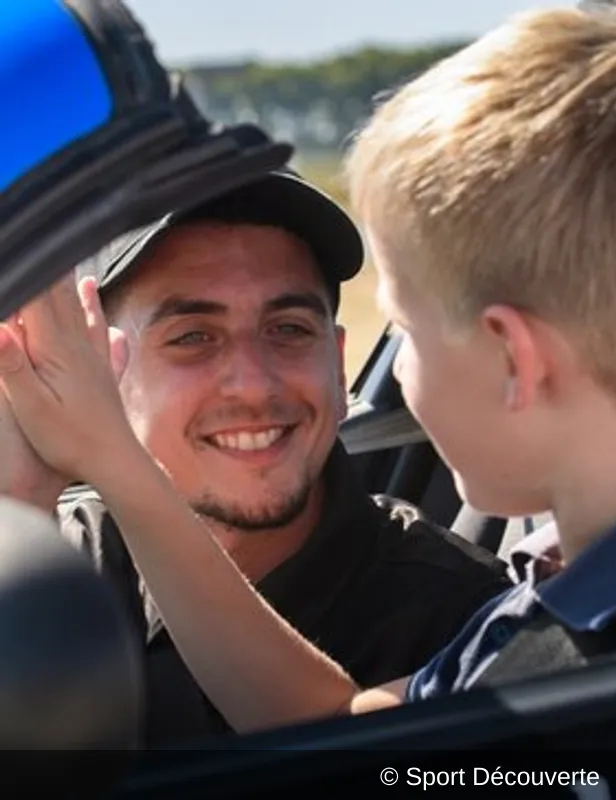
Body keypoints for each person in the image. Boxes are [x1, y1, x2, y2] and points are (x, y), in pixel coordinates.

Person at [0, 0, 616, 735]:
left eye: (407, 331)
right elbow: (333, 725)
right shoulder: (558, 622)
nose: (397, 371)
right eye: (194, 338)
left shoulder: (522, 674)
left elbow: (349, 761)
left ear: (512, 357)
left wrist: (112, 459)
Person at [0, 167, 510, 746]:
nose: (253, 384)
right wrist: (20, 499)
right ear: (102, 371)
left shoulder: (467, 622)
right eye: (193, 336)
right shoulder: (62, 558)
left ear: (340, 367)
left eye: (288, 329)